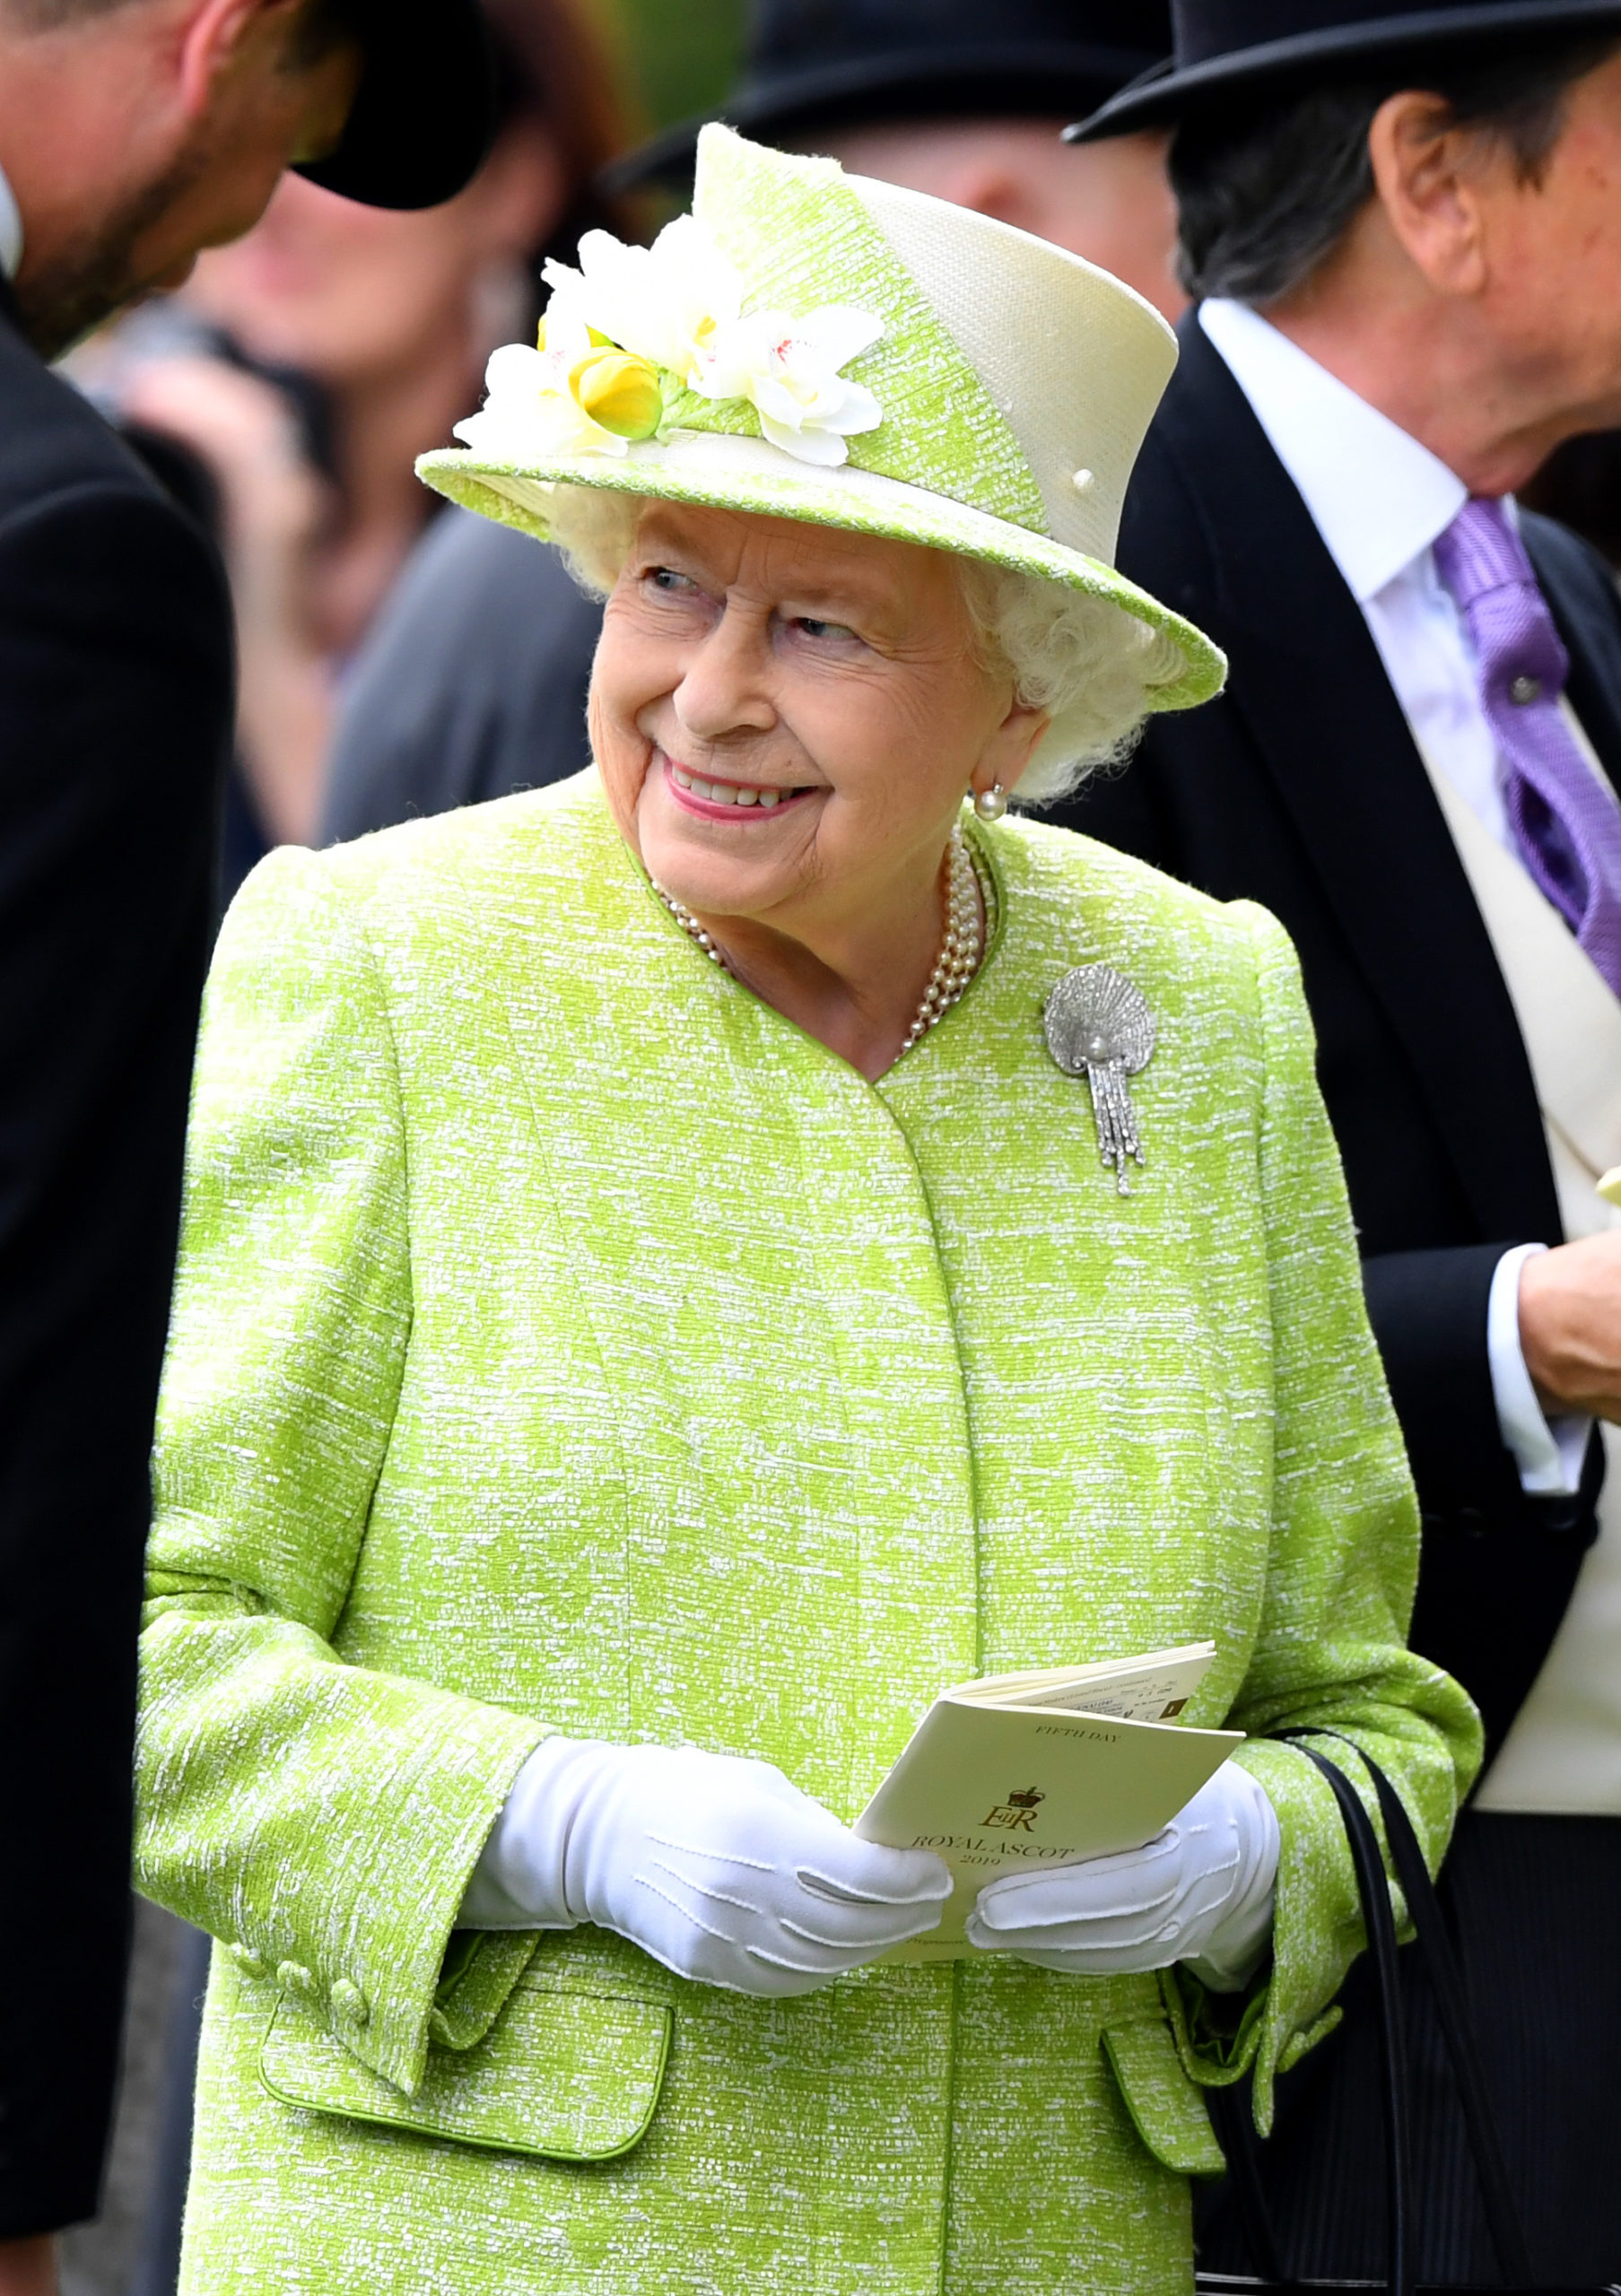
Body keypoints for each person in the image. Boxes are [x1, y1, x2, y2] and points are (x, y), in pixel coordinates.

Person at [135, 124, 1479, 2296]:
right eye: (670, 578)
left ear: (1023, 703)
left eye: (826, 622)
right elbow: (136, 1646)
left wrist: (1247, 1858)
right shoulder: (378, 960)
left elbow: (1374, 1714)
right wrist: (548, 1825)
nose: (711, 689)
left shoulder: (1195, 1004)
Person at [1062, 1, 1621, 2279]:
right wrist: (1518, 1325)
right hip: (1357, 1874)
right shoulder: (1092, 584)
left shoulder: (1558, 586)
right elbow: (1024, 1256)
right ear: (1436, 180)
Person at [0, 0, 499, 2282]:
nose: (234, 223)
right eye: (299, 141)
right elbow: (29, 1376)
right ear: (229, 45)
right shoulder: (55, 542)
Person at [318, 0, 1182, 846]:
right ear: (1000, 229)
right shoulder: (602, 580)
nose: (705, 702)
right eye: (1183, 235)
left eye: (819, 626)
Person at [89, 0, 633, 873]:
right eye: (249, 120)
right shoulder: (98, 490)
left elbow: (448, 985)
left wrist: (268, 654)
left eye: (338, 135)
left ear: (516, 185)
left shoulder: (600, 566)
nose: (272, 194)